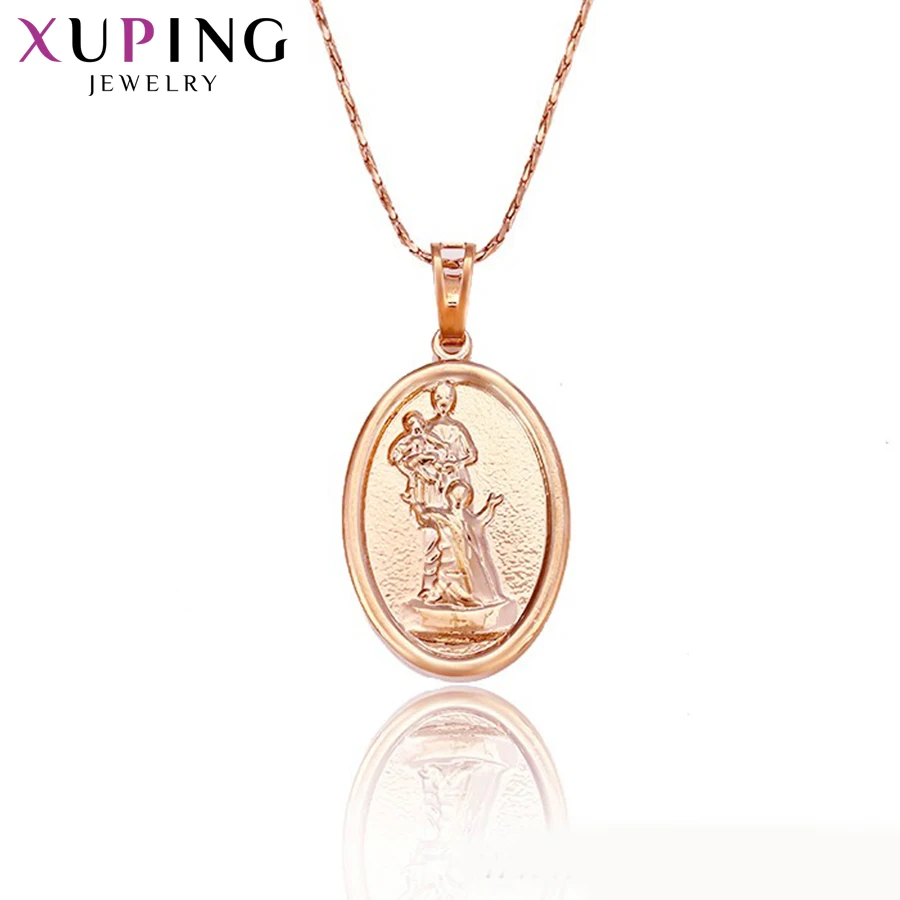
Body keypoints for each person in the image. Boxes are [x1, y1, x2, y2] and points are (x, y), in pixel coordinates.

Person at [404, 481, 507, 609]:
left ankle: (465, 598)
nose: (458, 501)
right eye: (455, 497)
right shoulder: (441, 516)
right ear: (448, 497)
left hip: (464, 557)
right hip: (447, 554)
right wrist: (414, 504)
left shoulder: (467, 518)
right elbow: (423, 518)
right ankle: (440, 596)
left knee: (463, 578)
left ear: (466, 500)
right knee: (446, 575)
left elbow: (480, 520)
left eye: (462, 498)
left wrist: (491, 506)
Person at [387, 411, 449, 504]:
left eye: (418, 422)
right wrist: (407, 449)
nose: (416, 425)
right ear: (408, 427)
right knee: (418, 477)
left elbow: (441, 446)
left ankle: (438, 485)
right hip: (414, 465)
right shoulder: (408, 440)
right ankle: (415, 497)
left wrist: (437, 453)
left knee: (434, 469)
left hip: (427, 467)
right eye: (412, 423)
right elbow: (395, 456)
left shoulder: (426, 437)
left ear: (422, 423)